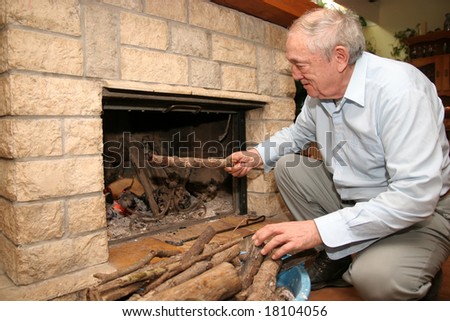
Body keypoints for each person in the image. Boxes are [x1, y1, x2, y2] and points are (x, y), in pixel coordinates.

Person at [225, 7, 450, 300]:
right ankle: (340, 255)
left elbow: (414, 196)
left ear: (340, 57)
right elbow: (296, 135)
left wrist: (318, 230)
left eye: (300, 65)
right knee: (288, 167)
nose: (295, 74)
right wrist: (257, 155)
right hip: (355, 200)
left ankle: (414, 269)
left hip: (421, 212)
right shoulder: (321, 95)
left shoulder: (399, 91)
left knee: (377, 279)